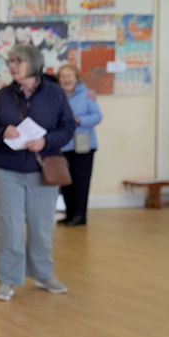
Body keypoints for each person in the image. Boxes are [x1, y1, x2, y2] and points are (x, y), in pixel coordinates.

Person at [0, 44, 76, 301]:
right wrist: (2, 132)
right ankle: (7, 280)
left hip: (41, 170)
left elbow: (68, 127)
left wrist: (46, 141)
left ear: (32, 64)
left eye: (18, 61)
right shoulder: (3, 96)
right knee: (8, 227)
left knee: (41, 227)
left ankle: (43, 274)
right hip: (5, 170)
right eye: (10, 61)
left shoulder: (55, 94)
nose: (12, 66)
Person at [56, 63, 102, 226]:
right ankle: (69, 214)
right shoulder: (56, 96)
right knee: (65, 181)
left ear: (76, 78)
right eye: (63, 76)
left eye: (69, 76)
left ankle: (80, 215)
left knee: (81, 182)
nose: (66, 79)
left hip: (83, 145)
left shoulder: (87, 95)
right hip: (63, 145)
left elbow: (97, 116)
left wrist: (79, 120)